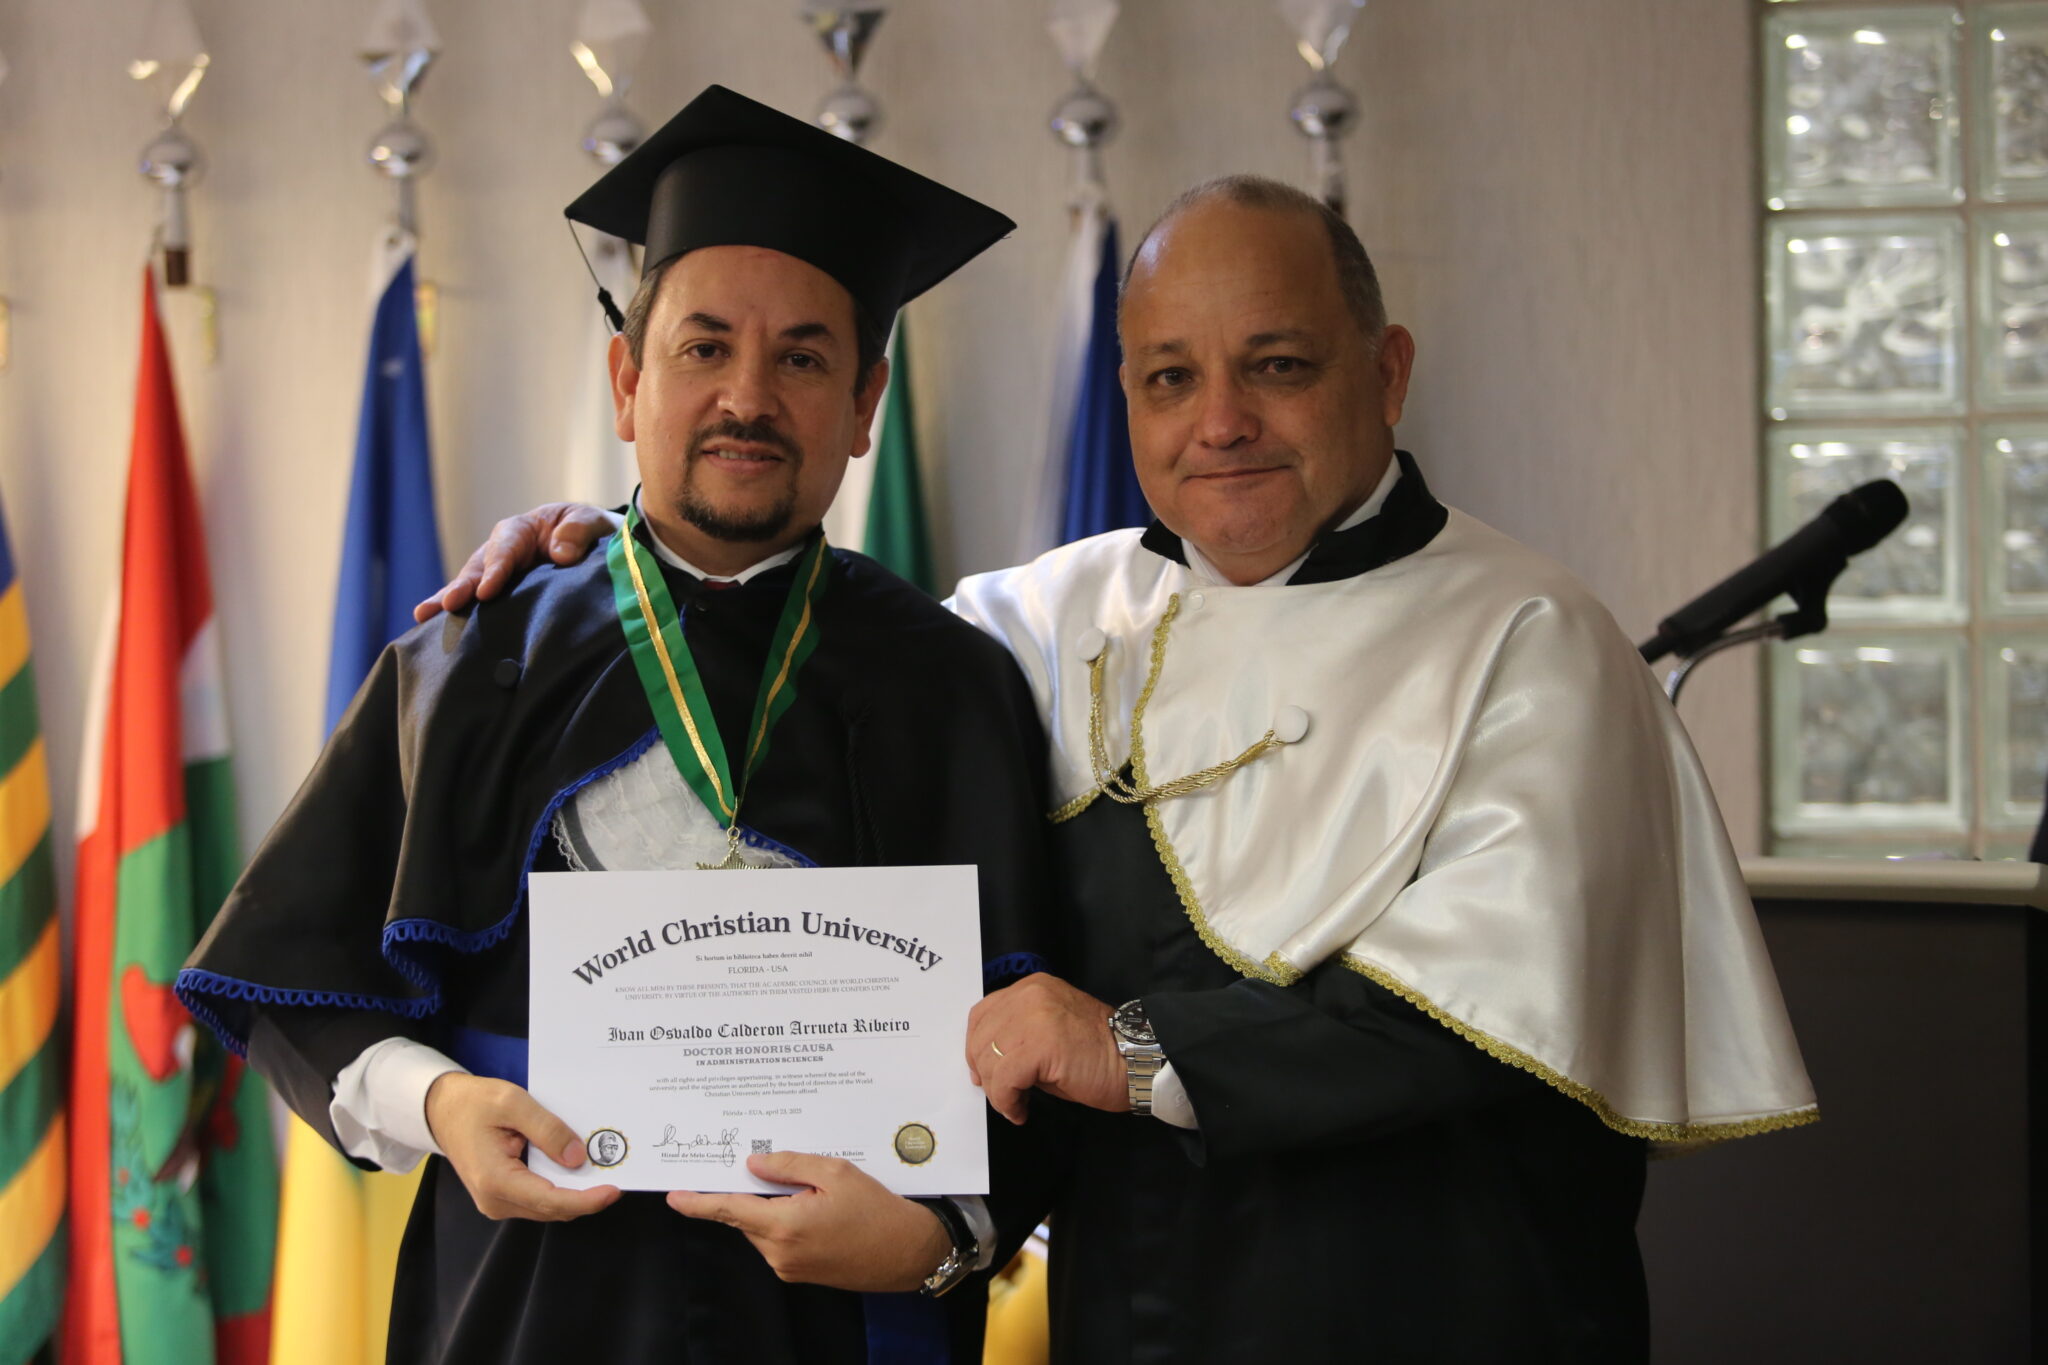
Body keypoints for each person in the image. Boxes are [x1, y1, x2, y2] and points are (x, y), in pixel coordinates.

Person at [429, 175, 1818, 1362]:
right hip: (1131, 1318)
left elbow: (1475, 1018)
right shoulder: (1046, 623)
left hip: (1450, 1307)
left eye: (1277, 365)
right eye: (1169, 377)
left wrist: (1125, 1049)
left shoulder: (1533, 640)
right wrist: (614, 560)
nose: (1219, 422)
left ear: (1386, 371)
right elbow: (782, 650)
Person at [178, 86, 1064, 1365]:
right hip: (525, 1306)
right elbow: (293, 983)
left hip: (840, 1325)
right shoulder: (475, 657)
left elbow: (1037, 1048)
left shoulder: (954, 684)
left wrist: (938, 1239)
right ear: (626, 380)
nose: (747, 397)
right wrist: (441, 1103)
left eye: (802, 358)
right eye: (703, 348)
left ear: (865, 402)